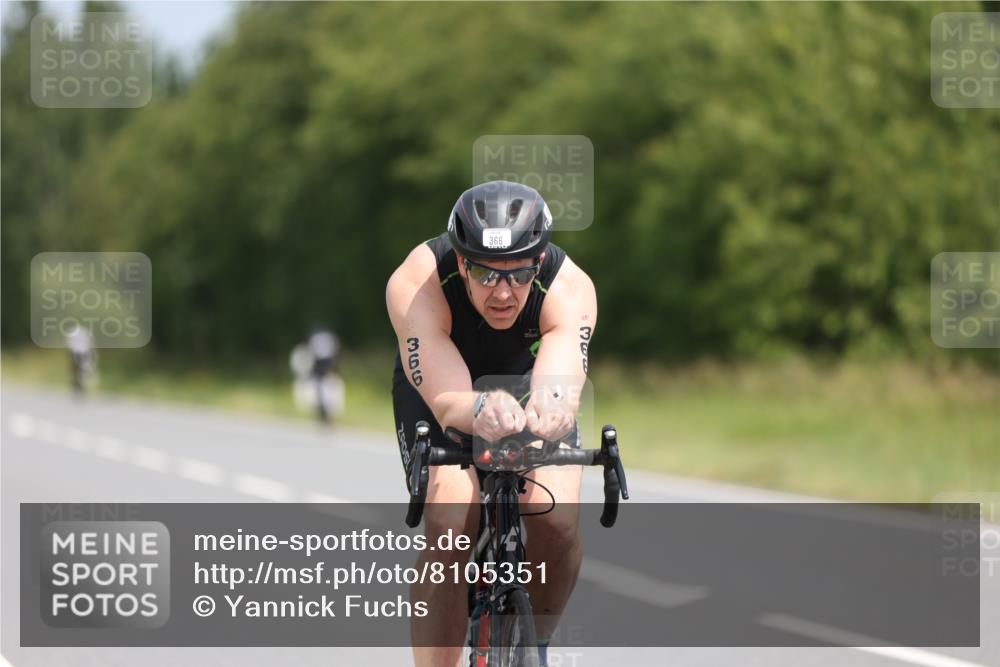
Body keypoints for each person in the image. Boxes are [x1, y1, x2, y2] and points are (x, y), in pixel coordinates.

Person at [386, 180, 597, 667]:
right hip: (444, 386)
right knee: (451, 522)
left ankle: (535, 641)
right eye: (483, 273)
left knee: (557, 521)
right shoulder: (417, 279)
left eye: (519, 274)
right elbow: (448, 401)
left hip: (527, 379)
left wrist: (551, 409)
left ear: (539, 262)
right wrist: (481, 409)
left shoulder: (570, 286)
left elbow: (560, 382)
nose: (503, 292)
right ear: (460, 261)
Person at [65, 323, 97, 396]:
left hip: (78, 352)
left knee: (78, 370)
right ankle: (79, 384)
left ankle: (80, 384)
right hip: (82, 352)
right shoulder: (84, 331)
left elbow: (69, 343)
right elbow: (90, 342)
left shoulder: (73, 332)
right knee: (79, 370)